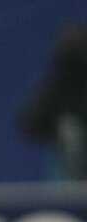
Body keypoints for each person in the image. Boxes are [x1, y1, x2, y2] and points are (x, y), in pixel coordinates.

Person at [17, 21, 87, 182]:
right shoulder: (55, 90)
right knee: (70, 131)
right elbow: (27, 124)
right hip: (64, 175)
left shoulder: (55, 88)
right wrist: (56, 132)